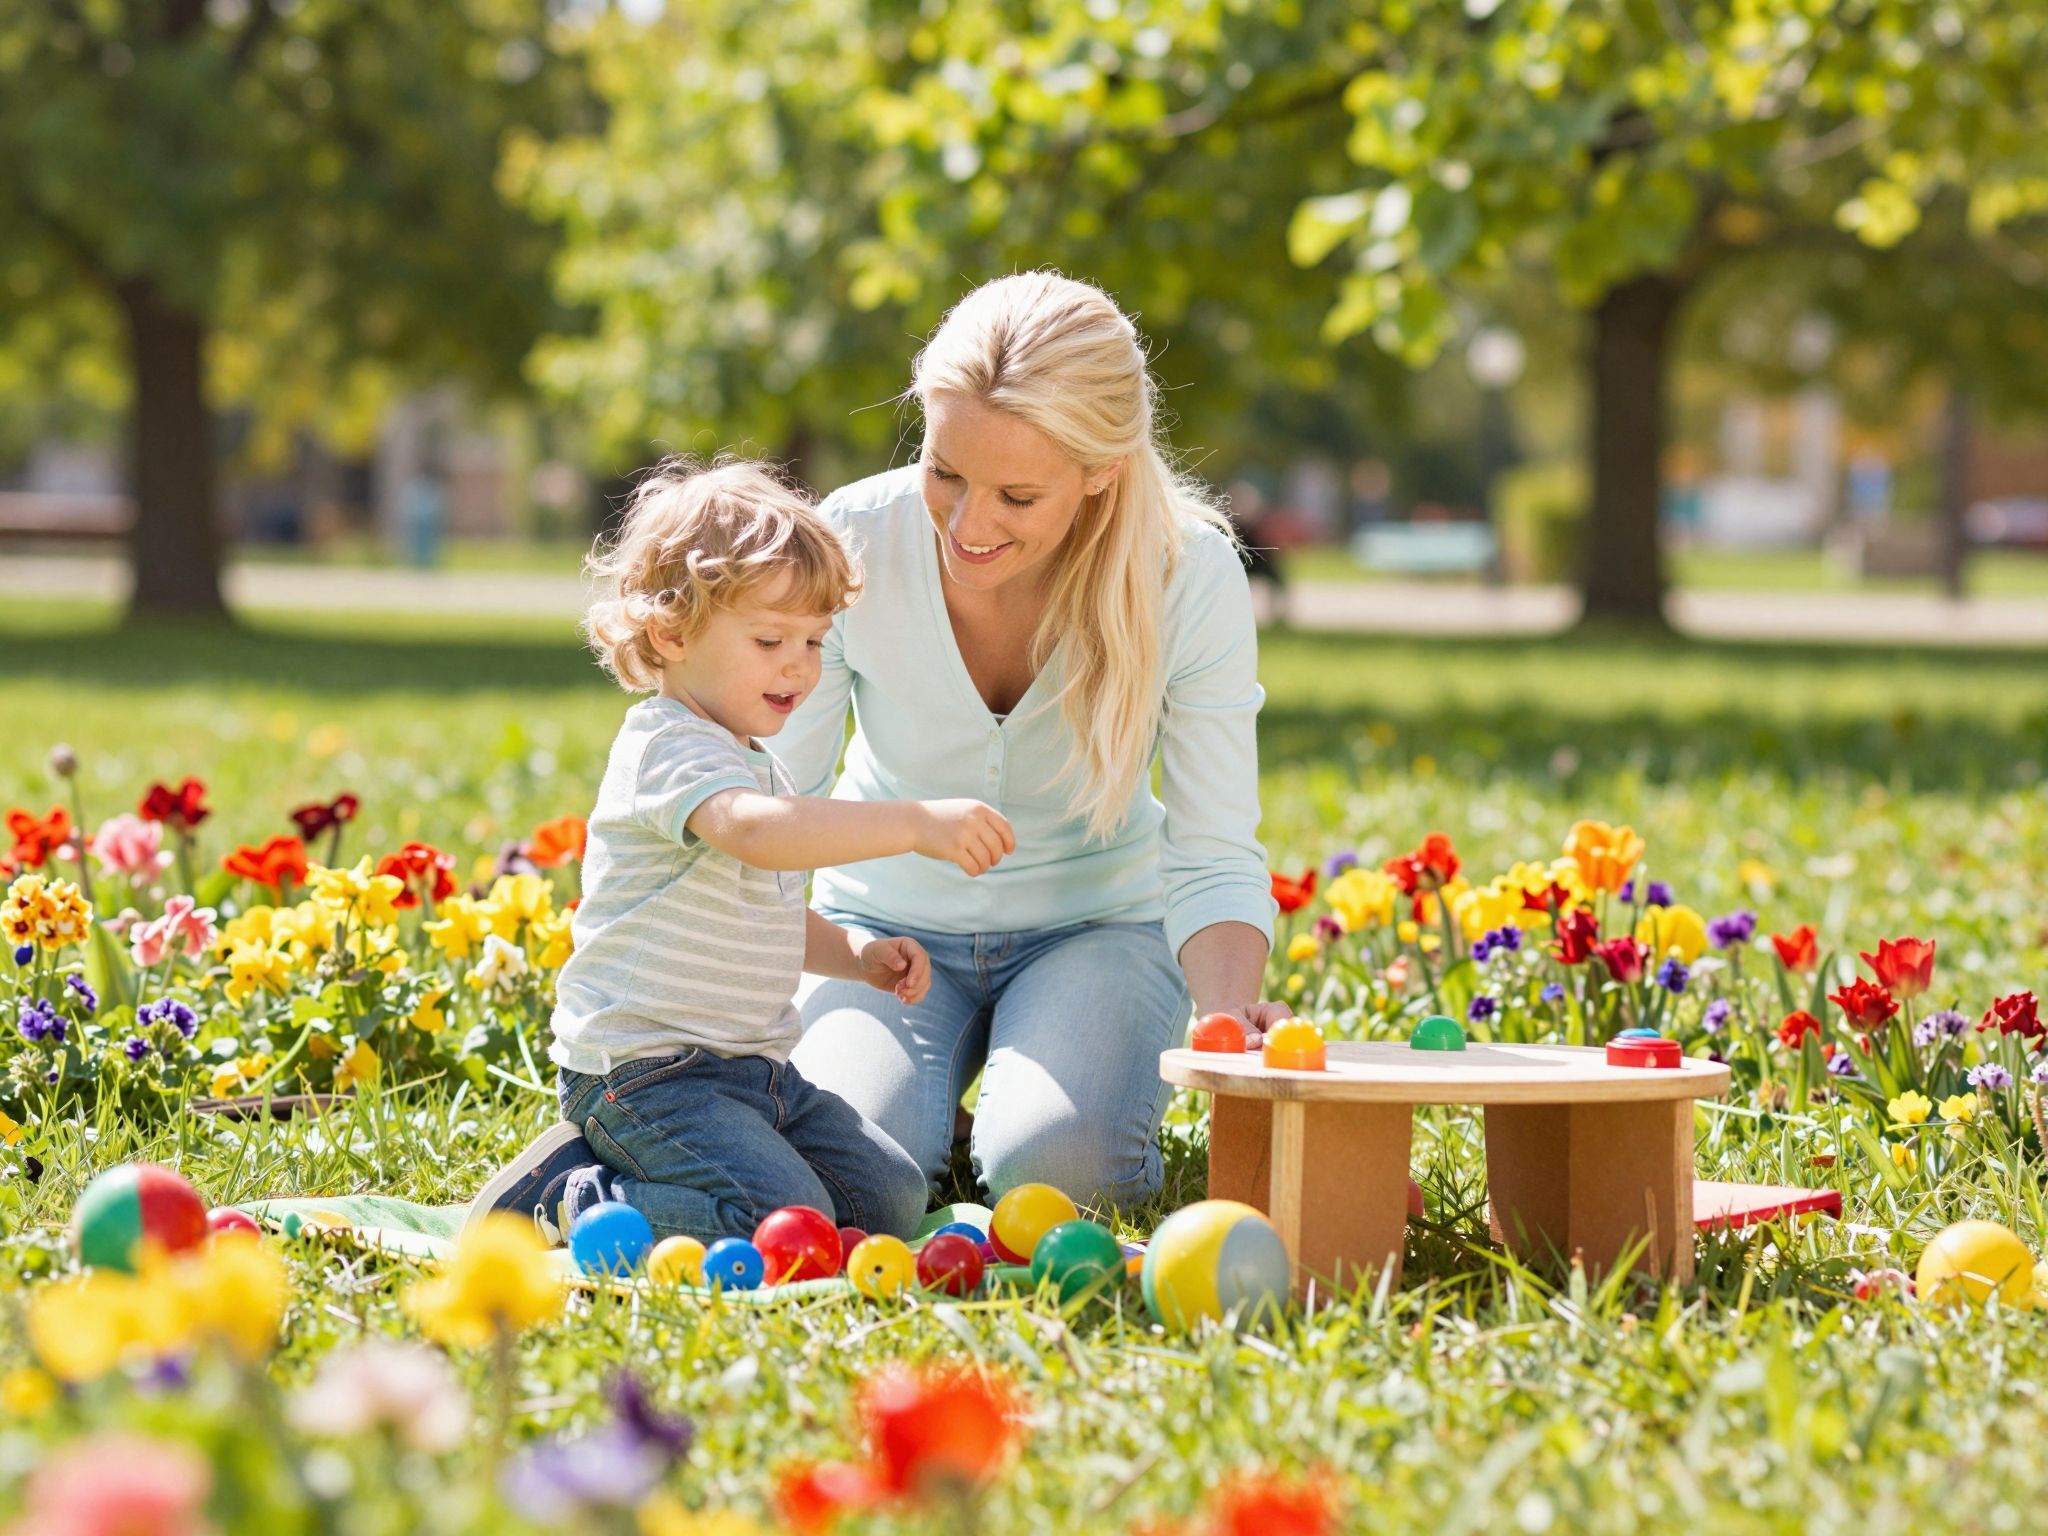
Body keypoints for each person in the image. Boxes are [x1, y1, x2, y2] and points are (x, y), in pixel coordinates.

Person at [774, 271, 1289, 1215]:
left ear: (1101, 471)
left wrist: (1226, 1027)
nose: (968, 525)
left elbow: (1214, 850)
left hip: (1096, 929)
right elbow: (772, 804)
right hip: (878, 931)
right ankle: (945, 1121)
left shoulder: (1188, 575)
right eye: (945, 472)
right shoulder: (849, 541)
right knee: (844, 1183)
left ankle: (1016, 1111)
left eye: (1016, 495)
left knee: (1062, 1177)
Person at [463, 458, 1015, 1244]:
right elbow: (754, 831)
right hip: (646, 1079)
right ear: (671, 631)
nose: (800, 664)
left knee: (891, 1200)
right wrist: (916, 823)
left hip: (756, 1074)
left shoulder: (757, 762)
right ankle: (573, 1197)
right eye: (770, 638)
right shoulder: (668, 747)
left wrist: (858, 955)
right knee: (782, 1224)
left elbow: (768, 914)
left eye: (816, 641)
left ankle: (670, 1187)